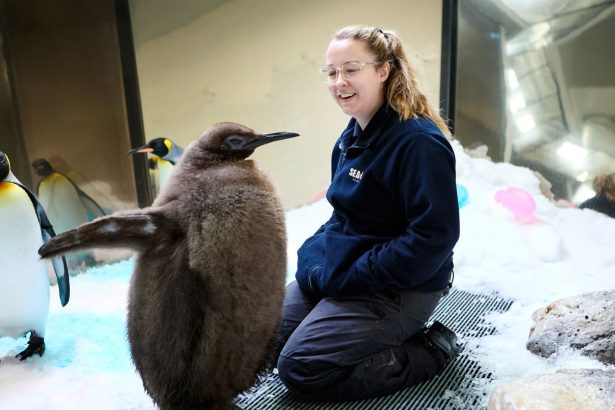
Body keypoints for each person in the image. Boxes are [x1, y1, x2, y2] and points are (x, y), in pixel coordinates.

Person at [275, 25, 461, 402]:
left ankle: (429, 350)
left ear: (383, 71)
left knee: (302, 366)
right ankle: (350, 328)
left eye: (351, 69)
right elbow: (343, 216)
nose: (339, 81)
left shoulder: (418, 143)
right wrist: (316, 259)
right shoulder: (352, 136)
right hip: (354, 271)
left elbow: (432, 239)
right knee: (258, 336)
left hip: (403, 285)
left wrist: (354, 276)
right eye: (331, 72)